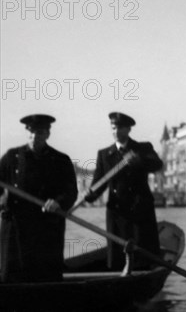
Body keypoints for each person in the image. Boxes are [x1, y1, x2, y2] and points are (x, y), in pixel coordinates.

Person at [0, 114, 77, 283]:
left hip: (47, 228)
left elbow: (71, 191)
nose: (35, 136)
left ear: (48, 134)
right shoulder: (11, 157)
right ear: (27, 132)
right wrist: (2, 200)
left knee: (46, 276)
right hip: (17, 230)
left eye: (40, 132)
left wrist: (58, 202)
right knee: (12, 277)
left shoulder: (60, 160)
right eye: (32, 132)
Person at [84, 112, 163, 270]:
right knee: (117, 256)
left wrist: (139, 161)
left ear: (128, 130)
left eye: (120, 129)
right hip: (117, 213)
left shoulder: (142, 148)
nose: (116, 132)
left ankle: (145, 273)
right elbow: (99, 184)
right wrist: (90, 196)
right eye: (113, 128)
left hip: (140, 211)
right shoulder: (105, 154)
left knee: (144, 253)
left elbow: (157, 165)